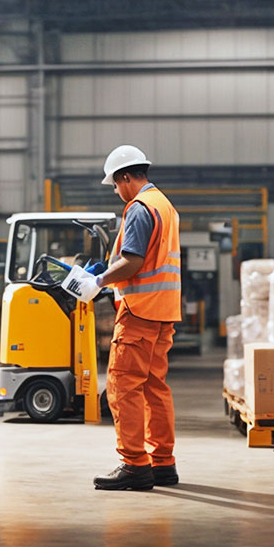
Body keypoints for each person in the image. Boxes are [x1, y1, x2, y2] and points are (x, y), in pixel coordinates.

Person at [87, 145, 181, 492]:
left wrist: (97, 281)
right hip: (163, 312)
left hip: (140, 312)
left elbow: (134, 262)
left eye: (115, 184)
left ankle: (134, 466)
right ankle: (162, 463)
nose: (115, 190)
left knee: (123, 388)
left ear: (127, 177)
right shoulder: (165, 206)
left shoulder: (140, 208)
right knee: (155, 388)